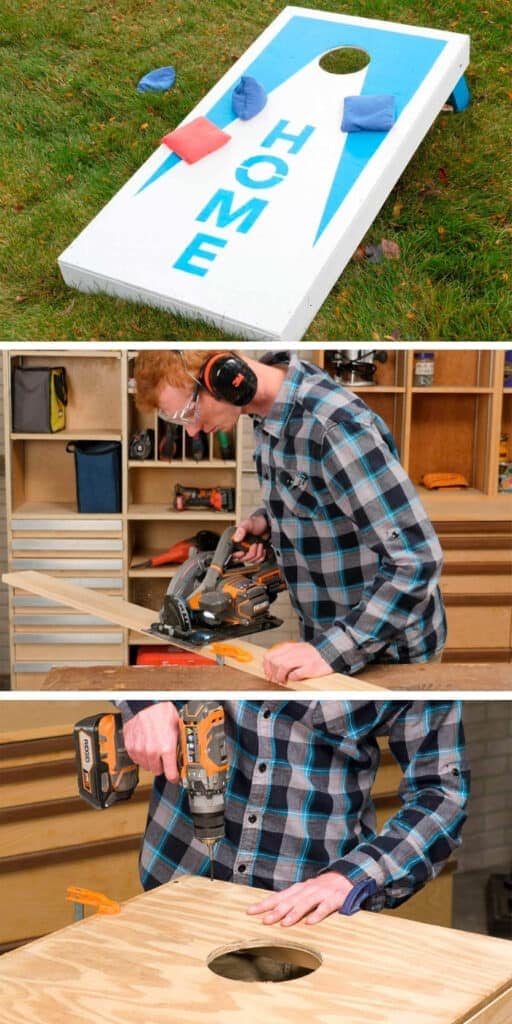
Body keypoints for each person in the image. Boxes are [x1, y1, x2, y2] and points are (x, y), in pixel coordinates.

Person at [134, 349, 447, 683]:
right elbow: (324, 494)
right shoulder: (267, 414)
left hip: (390, 654)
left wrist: (327, 651)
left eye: (189, 411)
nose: (192, 431)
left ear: (224, 375)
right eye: (180, 421)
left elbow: (416, 559)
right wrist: (270, 521)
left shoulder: (333, 427)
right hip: (331, 645)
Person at [119, 699, 469, 925]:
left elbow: (441, 795)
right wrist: (142, 702)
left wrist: (350, 877)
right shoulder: (216, 592)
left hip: (304, 913)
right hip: (177, 882)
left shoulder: (405, 647)